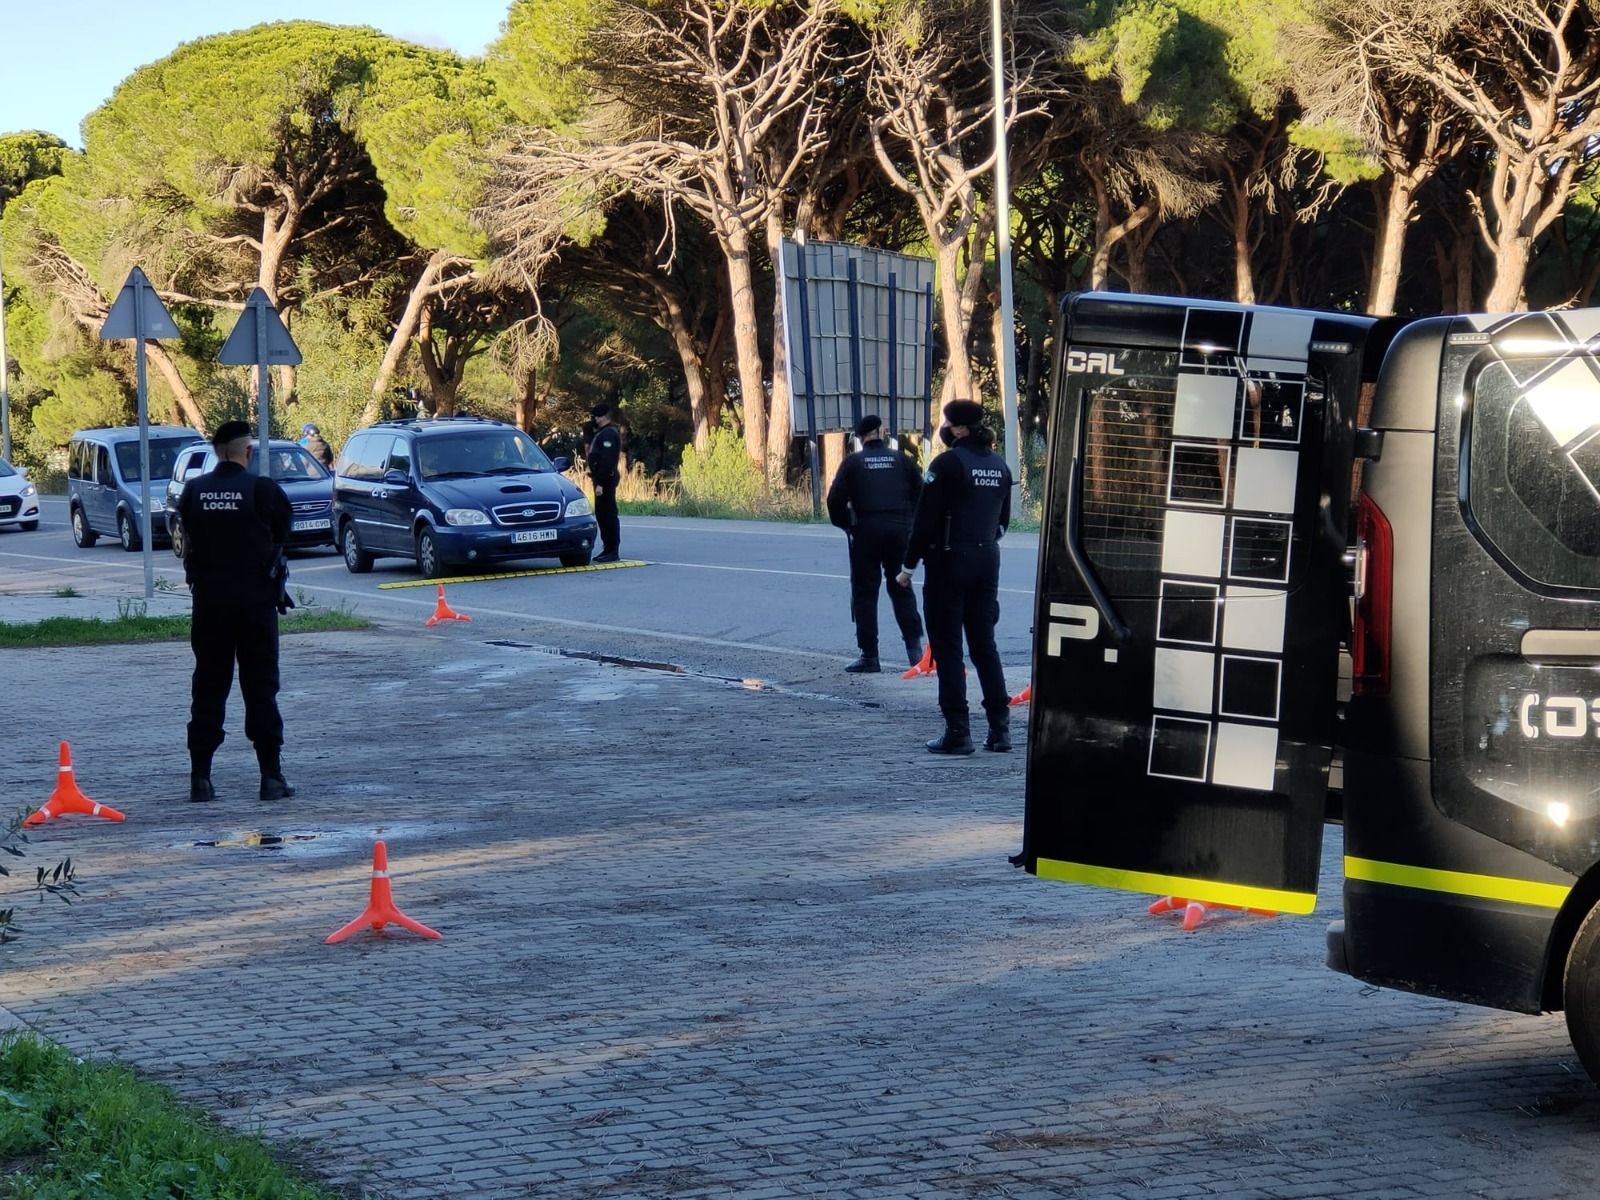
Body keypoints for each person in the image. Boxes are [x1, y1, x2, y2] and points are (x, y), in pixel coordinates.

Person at [177, 421, 297, 802]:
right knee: (260, 688)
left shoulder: (194, 490)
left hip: (210, 604)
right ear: (247, 452)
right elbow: (283, 532)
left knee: (209, 687)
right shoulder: (261, 489)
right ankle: (271, 778)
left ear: (215, 452)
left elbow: (186, 539)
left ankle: (200, 779)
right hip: (255, 604)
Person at [896, 399, 1013, 755]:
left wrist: (908, 567)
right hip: (987, 559)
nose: (945, 429)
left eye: (948, 424)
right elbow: (1003, 522)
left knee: (948, 649)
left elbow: (925, 519)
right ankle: (1000, 730)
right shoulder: (1000, 466)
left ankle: (958, 731)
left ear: (960, 429)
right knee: (984, 646)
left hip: (949, 562)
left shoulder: (946, 464)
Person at [826, 414, 925, 673]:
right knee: (902, 589)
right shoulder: (903, 460)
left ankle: (869, 656)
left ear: (859, 437)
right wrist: (910, 523)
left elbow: (834, 500)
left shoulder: (852, 464)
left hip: (865, 533)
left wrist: (848, 525)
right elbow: (922, 494)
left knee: (865, 594)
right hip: (899, 533)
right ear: (882, 432)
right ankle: (915, 653)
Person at [586, 403, 623, 563]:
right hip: (602, 480)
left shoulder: (608, 434)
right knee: (602, 515)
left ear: (603, 417)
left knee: (607, 515)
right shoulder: (603, 433)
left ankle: (612, 550)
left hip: (605, 481)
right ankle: (607, 549)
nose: (594, 419)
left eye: (596, 417)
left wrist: (600, 483)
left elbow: (607, 461)